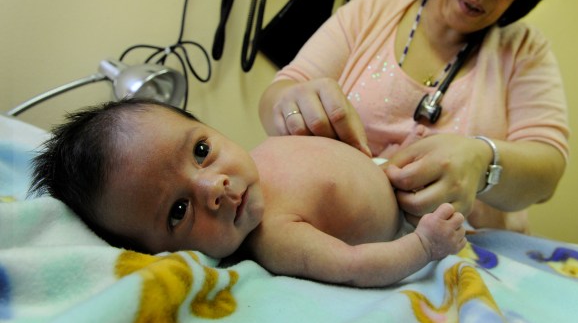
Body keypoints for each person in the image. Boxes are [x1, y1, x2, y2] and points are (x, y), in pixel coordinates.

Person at [259, 0, 577, 233]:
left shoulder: (524, 49)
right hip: (337, 237)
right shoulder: (370, 12)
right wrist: (293, 104)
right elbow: (281, 93)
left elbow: (547, 171)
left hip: (469, 257)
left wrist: (483, 160)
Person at [29, 99, 466, 287]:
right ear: (159, 252)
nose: (213, 187)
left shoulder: (263, 152)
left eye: (201, 150)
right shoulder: (275, 235)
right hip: (408, 221)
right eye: (178, 211)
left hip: (398, 176)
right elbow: (354, 266)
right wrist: (425, 245)